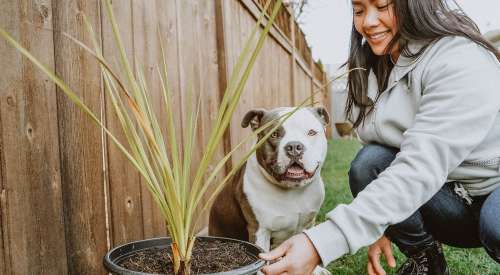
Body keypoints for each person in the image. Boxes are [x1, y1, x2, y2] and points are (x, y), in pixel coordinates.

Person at [259, 0, 500, 274]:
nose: (368, 22)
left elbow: (420, 167)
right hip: (450, 197)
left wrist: (320, 244)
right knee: (369, 162)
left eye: (382, 6)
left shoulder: (460, 58)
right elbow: (388, 158)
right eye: (359, 10)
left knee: (496, 221)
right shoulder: (371, 68)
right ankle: (428, 260)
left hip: (492, 188)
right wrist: (381, 226)